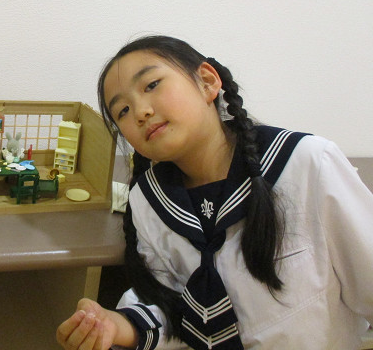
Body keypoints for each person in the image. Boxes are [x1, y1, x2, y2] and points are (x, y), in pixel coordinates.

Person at [56, 35, 373, 349]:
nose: (140, 112)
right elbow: (170, 304)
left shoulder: (306, 163)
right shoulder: (147, 201)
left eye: (151, 85)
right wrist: (116, 326)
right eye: (122, 110)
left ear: (207, 82)